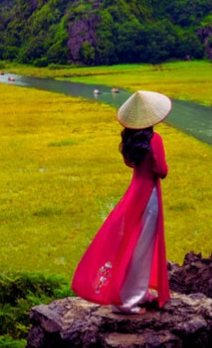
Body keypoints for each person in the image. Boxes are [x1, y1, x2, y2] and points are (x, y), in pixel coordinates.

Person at [71, 90, 172, 314]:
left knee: (131, 243)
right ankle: (128, 300)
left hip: (133, 193)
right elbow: (162, 171)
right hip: (149, 196)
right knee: (142, 246)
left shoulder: (129, 138)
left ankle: (137, 291)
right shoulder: (155, 139)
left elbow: (131, 163)